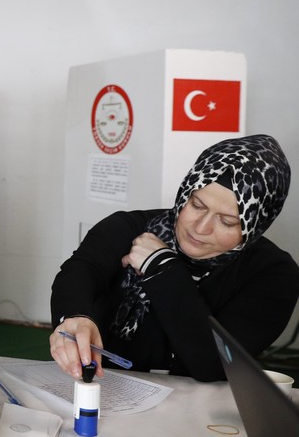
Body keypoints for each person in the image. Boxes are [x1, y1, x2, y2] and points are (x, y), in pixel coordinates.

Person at [50, 134, 298, 382]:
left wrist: (161, 266)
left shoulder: (274, 274)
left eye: (227, 221)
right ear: (185, 193)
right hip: (104, 388)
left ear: (255, 227)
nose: (200, 228)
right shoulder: (127, 227)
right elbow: (81, 271)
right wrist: (75, 317)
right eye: (197, 205)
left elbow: (214, 362)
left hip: (200, 412)